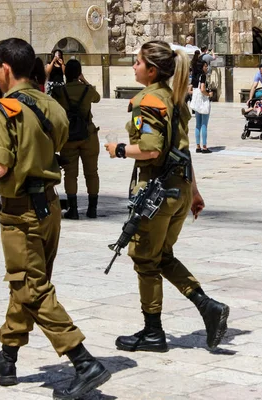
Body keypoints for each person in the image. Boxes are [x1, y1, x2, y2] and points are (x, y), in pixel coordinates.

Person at [0, 38, 110, 400]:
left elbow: (0, 164)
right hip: (50, 207)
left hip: (20, 212)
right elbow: (59, 144)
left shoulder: (5, 110)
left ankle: (83, 362)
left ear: (5, 67)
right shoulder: (52, 104)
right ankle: (7, 357)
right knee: (29, 285)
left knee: (30, 288)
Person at [104, 40, 229, 354]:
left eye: (137, 62)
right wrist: (195, 192)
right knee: (161, 257)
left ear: (152, 70)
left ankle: (153, 332)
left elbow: (153, 149)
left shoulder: (147, 101)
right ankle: (207, 306)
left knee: (145, 260)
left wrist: (118, 149)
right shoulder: (174, 100)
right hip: (179, 191)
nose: (133, 66)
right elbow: (182, 151)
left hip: (156, 193)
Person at [51, 59, 101, 219]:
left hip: (68, 136)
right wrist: (84, 79)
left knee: (70, 174)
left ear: (65, 73)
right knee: (92, 173)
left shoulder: (60, 91)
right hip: (88, 134)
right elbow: (98, 98)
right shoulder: (87, 89)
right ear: (79, 73)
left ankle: (73, 209)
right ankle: (92, 208)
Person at [191, 60, 213, 153]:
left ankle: (197, 146)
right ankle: (204, 146)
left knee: (197, 125)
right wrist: (208, 94)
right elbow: (202, 88)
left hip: (196, 102)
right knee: (204, 124)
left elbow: (190, 89)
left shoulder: (194, 76)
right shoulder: (202, 76)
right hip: (203, 101)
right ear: (201, 67)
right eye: (205, 66)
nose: (206, 68)